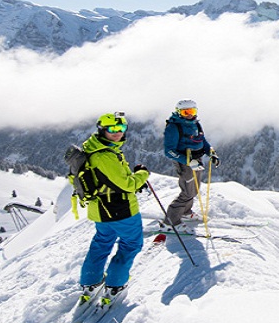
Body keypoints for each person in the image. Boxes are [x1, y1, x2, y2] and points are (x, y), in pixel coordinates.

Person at [78, 112, 149, 300]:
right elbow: (127, 185)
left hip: (100, 210)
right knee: (131, 244)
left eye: (121, 128)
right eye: (112, 129)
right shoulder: (105, 156)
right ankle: (116, 285)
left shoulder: (92, 148)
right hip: (120, 209)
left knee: (102, 243)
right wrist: (142, 174)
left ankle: (90, 281)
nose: (118, 133)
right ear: (102, 130)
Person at [162, 99, 220, 233]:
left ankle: (186, 212)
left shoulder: (196, 124)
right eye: (185, 112)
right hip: (185, 162)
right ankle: (170, 222)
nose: (189, 114)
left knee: (195, 189)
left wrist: (211, 153)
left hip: (196, 159)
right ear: (178, 112)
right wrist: (188, 161)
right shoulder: (174, 127)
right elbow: (169, 151)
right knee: (188, 191)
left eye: (192, 111)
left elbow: (202, 140)